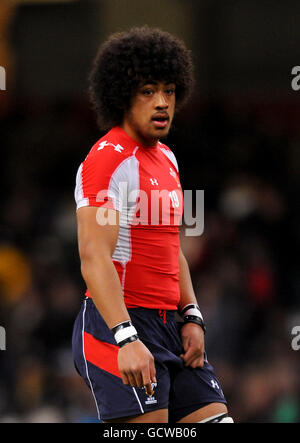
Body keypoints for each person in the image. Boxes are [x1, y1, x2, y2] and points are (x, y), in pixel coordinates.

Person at [72, 26, 233, 423]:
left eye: (169, 91)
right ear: (122, 95)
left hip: (168, 326)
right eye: (147, 91)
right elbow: (94, 258)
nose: (162, 103)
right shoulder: (108, 160)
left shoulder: (168, 159)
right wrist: (125, 337)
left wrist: (191, 314)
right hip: (119, 325)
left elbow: (169, 248)